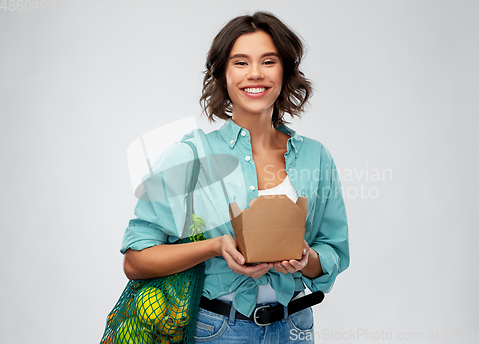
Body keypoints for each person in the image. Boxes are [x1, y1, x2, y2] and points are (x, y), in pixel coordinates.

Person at [121, 11, 349, 343]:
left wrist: (306, 259)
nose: (255, 74)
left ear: (285, 71)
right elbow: (135, 260)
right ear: (223, 75)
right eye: (240, 63)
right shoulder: (191, 157)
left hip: (296, 328)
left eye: (268, 61)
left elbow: (333, 252)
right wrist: (215, 247)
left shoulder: (316, 157)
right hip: (218, 330)